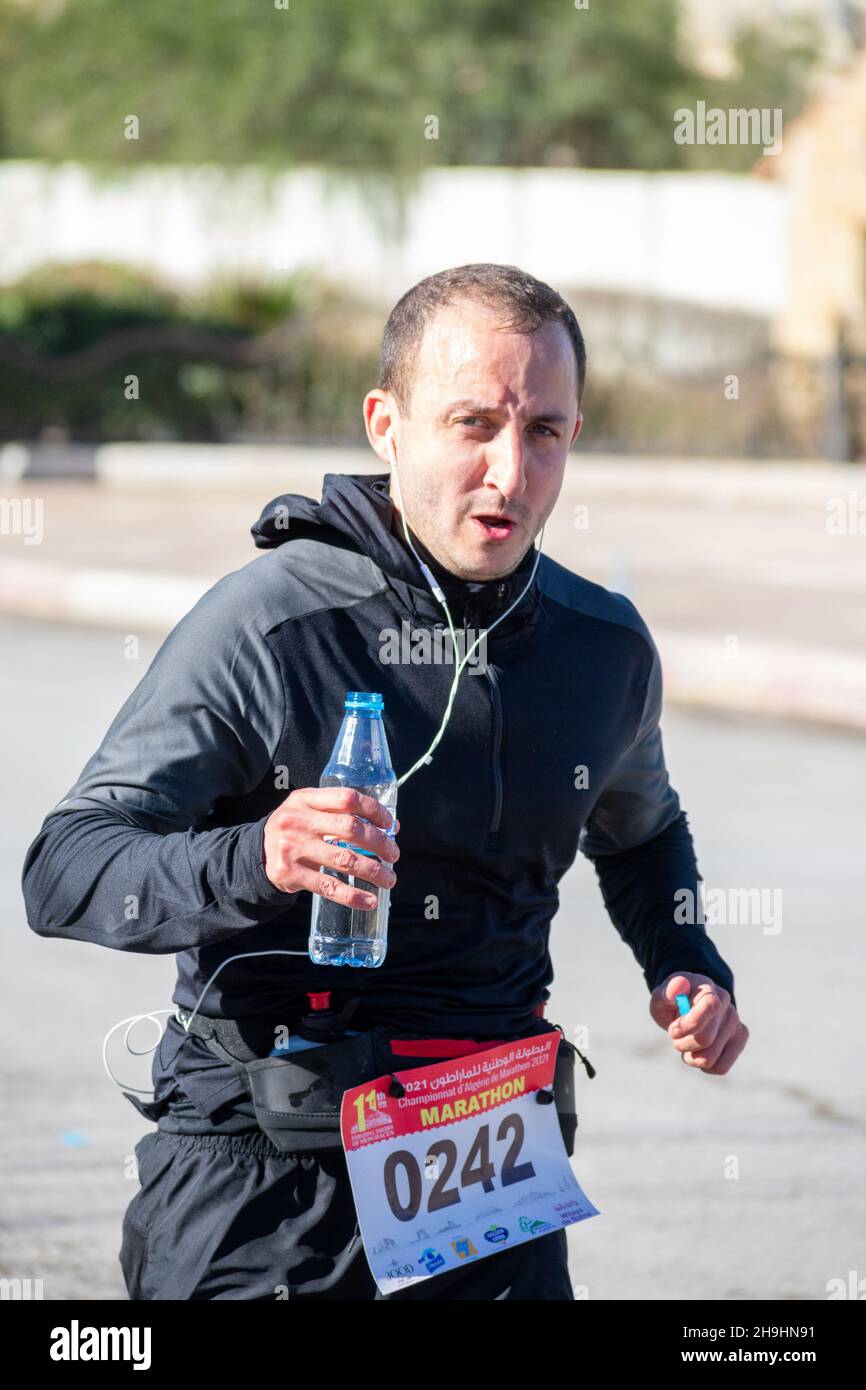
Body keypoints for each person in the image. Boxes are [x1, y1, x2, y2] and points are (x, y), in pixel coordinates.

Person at [21, 262, 748, 1301]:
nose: (506, 470)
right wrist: (256, 853)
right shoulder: (269, 624)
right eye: (471, 424)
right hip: (264, 1158)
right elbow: (66, 869)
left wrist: (684, 960)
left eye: (541, 429)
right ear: (385, 424)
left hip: (481, 1145)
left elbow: (638, 833)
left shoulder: (602, 648)